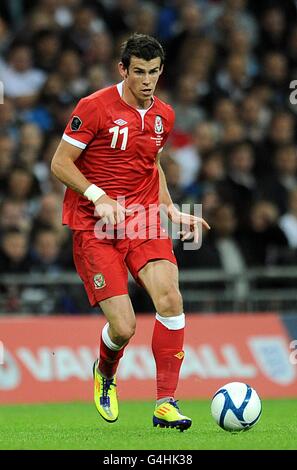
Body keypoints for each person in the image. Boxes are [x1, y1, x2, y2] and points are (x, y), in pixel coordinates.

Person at [51, 33, 210, 431]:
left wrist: (170, 208)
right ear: (123, 69)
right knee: (124, 327)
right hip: (95, 224)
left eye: (154, 72)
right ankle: (105, 371)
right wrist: (97, 195)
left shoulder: (164, 116)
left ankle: (165, 403)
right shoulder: (94, 107)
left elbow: (150, 163)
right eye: (138, 72)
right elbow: (60, 163)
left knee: (171, 298)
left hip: (142, 219)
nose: (147, 80)